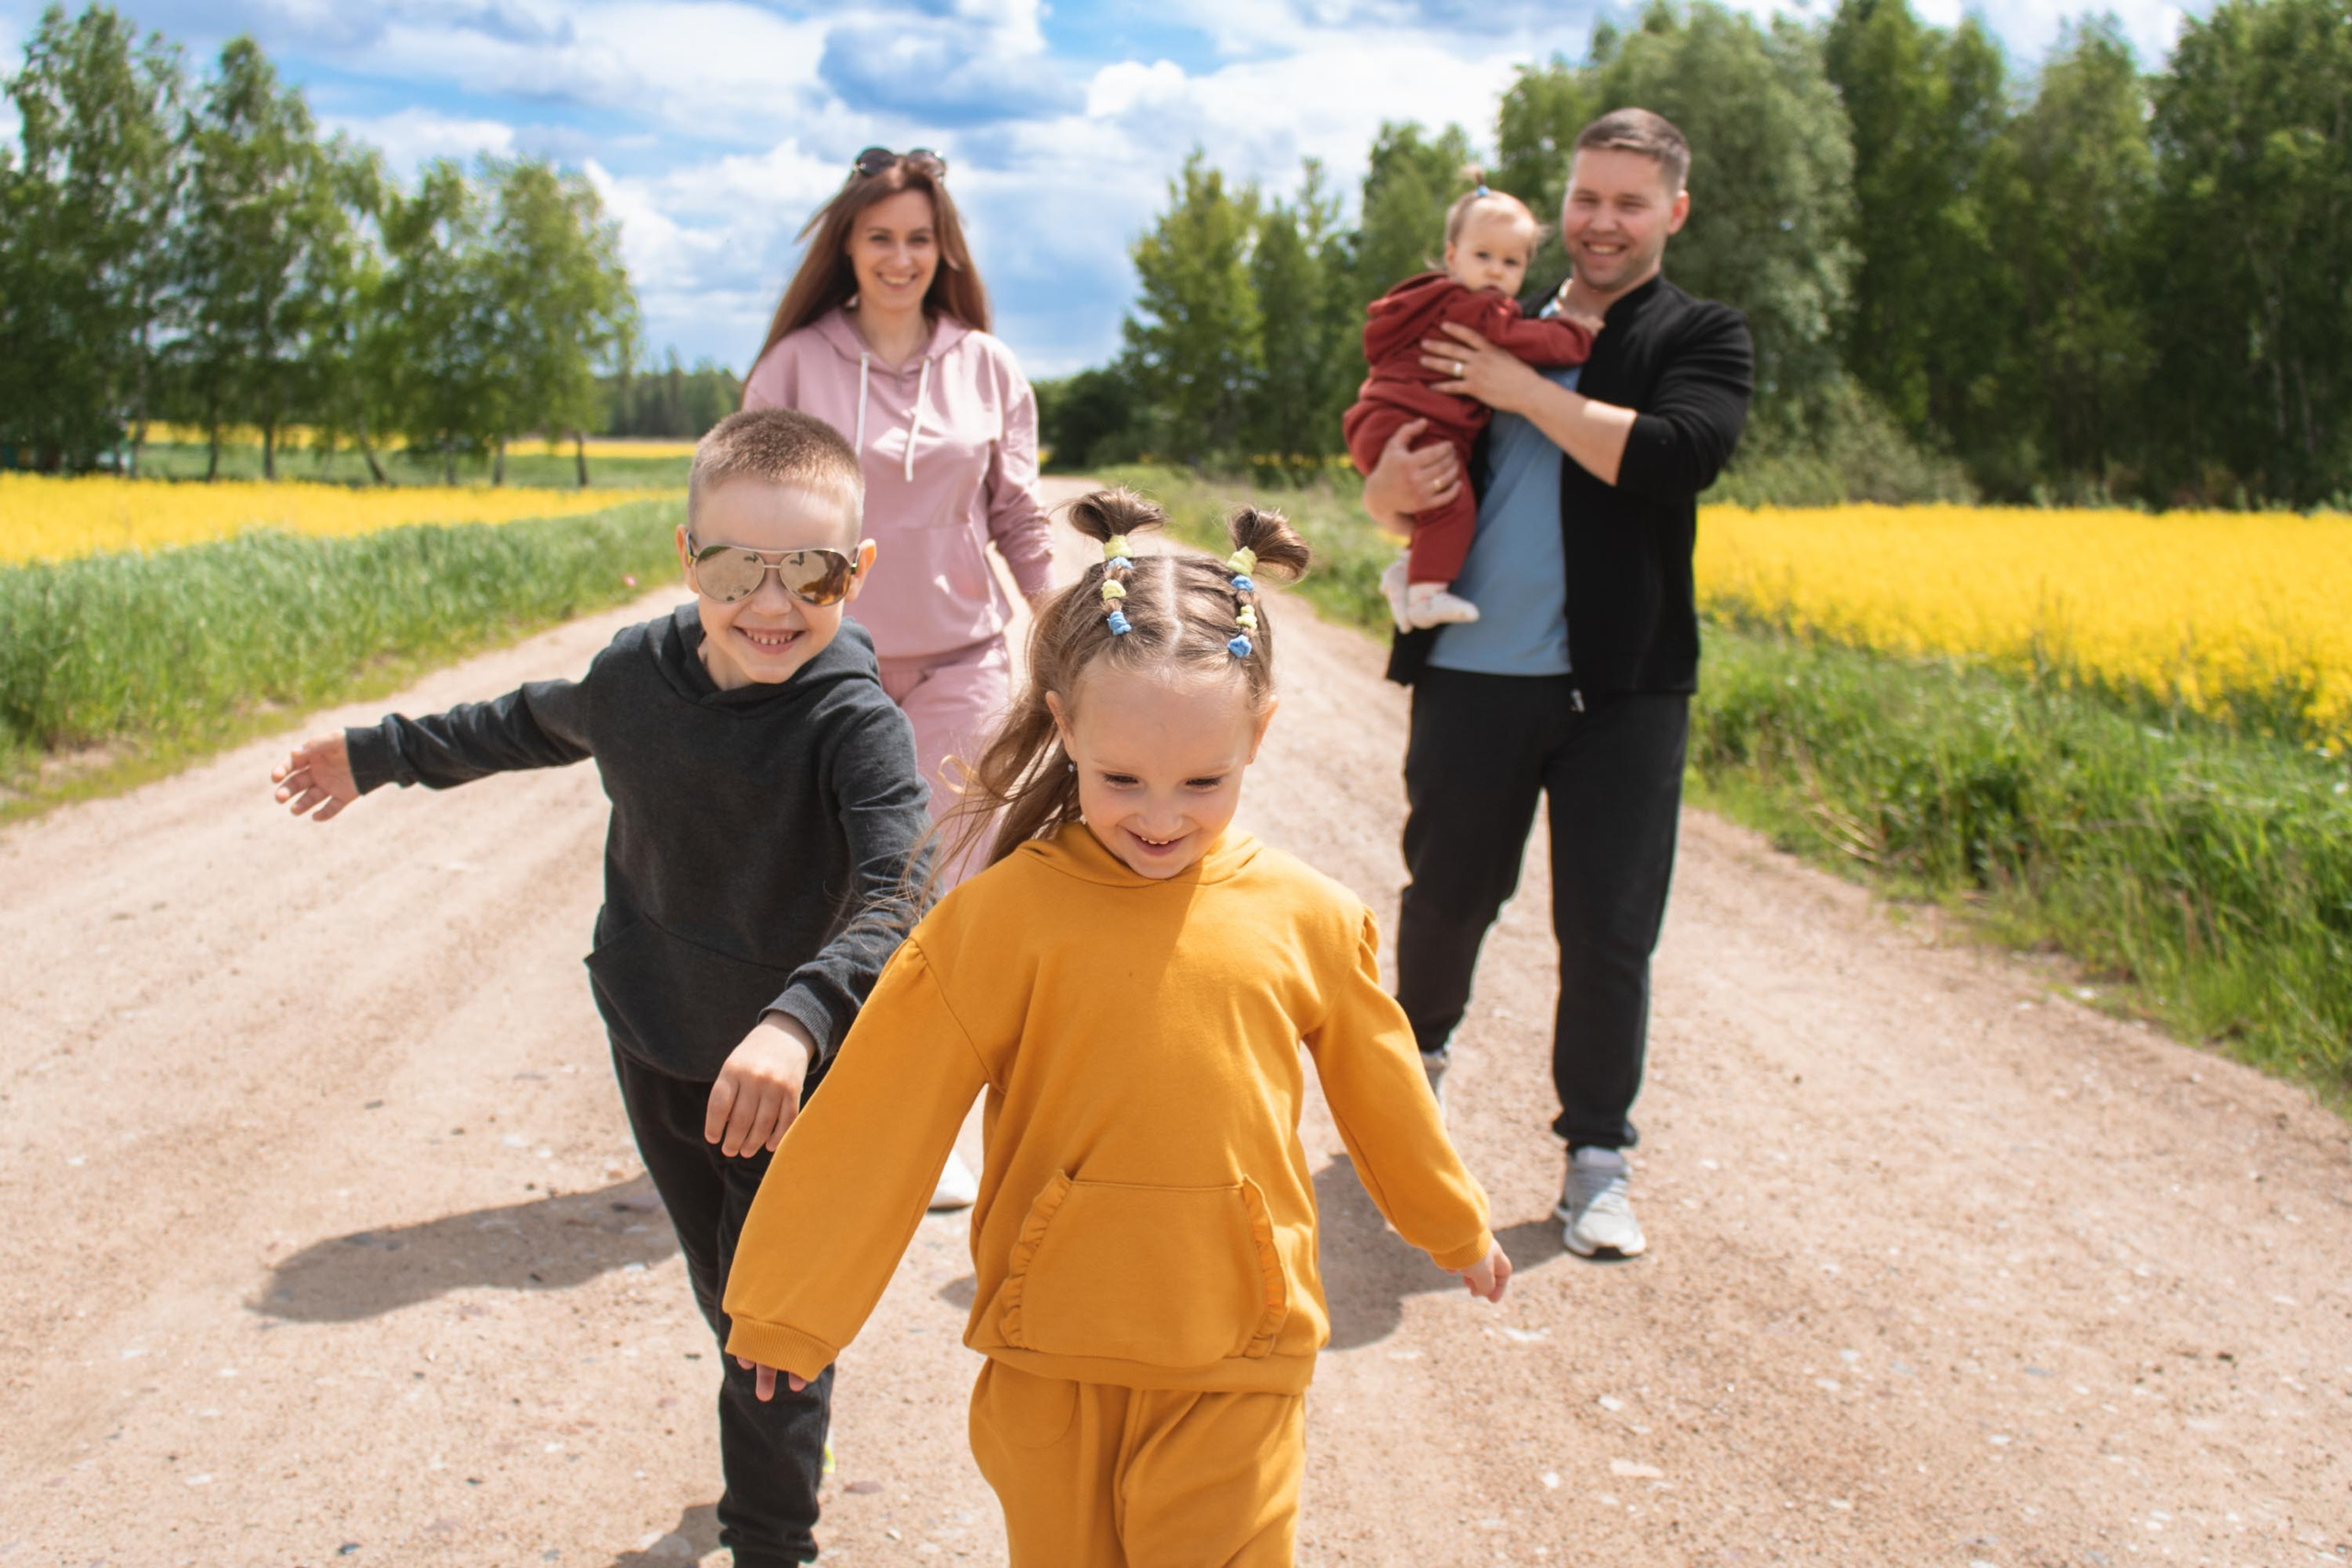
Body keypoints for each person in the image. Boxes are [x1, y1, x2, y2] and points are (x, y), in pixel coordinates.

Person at [720, 490, 1511, 1566]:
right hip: (1049, 1352)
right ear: (1063, 725)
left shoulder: (1310, 918)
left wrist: (1451, 1224)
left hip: (1241, 1347)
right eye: (1120, 779)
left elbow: (1384, 1094)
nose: (1159, 815)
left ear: (1259, 733)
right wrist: (789, 1308)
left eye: (1203, 782)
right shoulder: (997, 922)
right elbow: (879, 1115)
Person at [266, 408, 933, 1568]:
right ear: (688, 558)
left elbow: (898, 886)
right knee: (726, 1300)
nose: (771, 604)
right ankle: (776, 1439)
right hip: (657, 1034)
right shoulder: (636, 676)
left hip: (790, 1077)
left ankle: (771, 1536)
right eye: (736, 567)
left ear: (857, 571)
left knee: (768, 1325)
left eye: (810, 572)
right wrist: (378, 754)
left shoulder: (854, 725)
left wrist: (799, 1019)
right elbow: (526, 721)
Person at [1359, 108, 1755, 1261]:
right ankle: (1406, 1097)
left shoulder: (1699, 334)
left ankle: (1596, 1163)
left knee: (1608, 931)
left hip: (1625, 692)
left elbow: (1676, 456)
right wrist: (1386, 487)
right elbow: (1398, 463)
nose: (1601, 222)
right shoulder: (1490, 313)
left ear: (1671, 213)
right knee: (1444, 899)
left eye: (1629, 203)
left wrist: (1521, 388)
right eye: (1586, 197)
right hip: (1474, 672)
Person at [742, 143, 1054, 1212]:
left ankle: (934, 1124)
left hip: (964, 655)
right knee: (844, 880)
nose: (901, 256)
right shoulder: (795, 364)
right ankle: (821, 1087)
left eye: (920, 238)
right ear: (849, 246)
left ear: (942, 249)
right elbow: (746, 502)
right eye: (880, 237)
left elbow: (1016, 513)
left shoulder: (985, 364)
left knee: (945, 890)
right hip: (832, 664)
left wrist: (1059, 626)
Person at [1342, 172, 1599, 630]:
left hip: (1380, 424)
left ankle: (1407, 571)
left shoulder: (1428, 301)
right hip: (1412, 426)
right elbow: (1525, 339)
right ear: (1451, 256)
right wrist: (1578, 334)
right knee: (1453, 505)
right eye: (1484, 256)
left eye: (1511, 262)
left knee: (1435, 504)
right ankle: (1425, 598)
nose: (1497, 271)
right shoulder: (1475, 306)